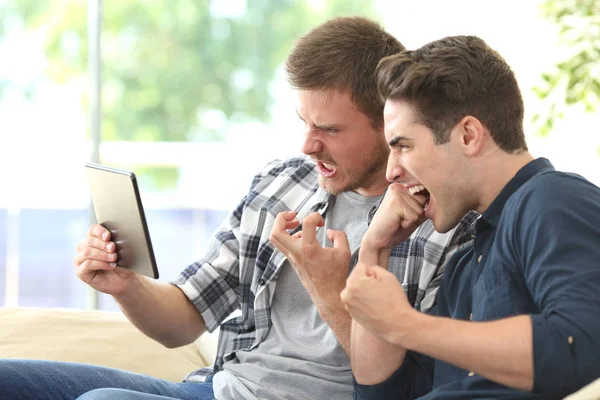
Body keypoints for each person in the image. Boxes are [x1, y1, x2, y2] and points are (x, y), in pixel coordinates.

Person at [0, 18, 475, 400]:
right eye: (303, 122)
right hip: (218, 389)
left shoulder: (444, 226)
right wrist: (125, 285)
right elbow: (183, 320)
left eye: (329, 130)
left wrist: (330, 291)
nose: (308, 145)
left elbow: (400, 389)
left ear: (385, 123)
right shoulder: (282, 183)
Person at [341, 34, 600, 400]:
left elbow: (583, 348)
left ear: (468, 135)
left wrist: (406, 325)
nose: (391, 173)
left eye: (403, 146)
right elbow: (384, 395)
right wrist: (374, 250)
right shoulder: (465, 266)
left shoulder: (552, 198)